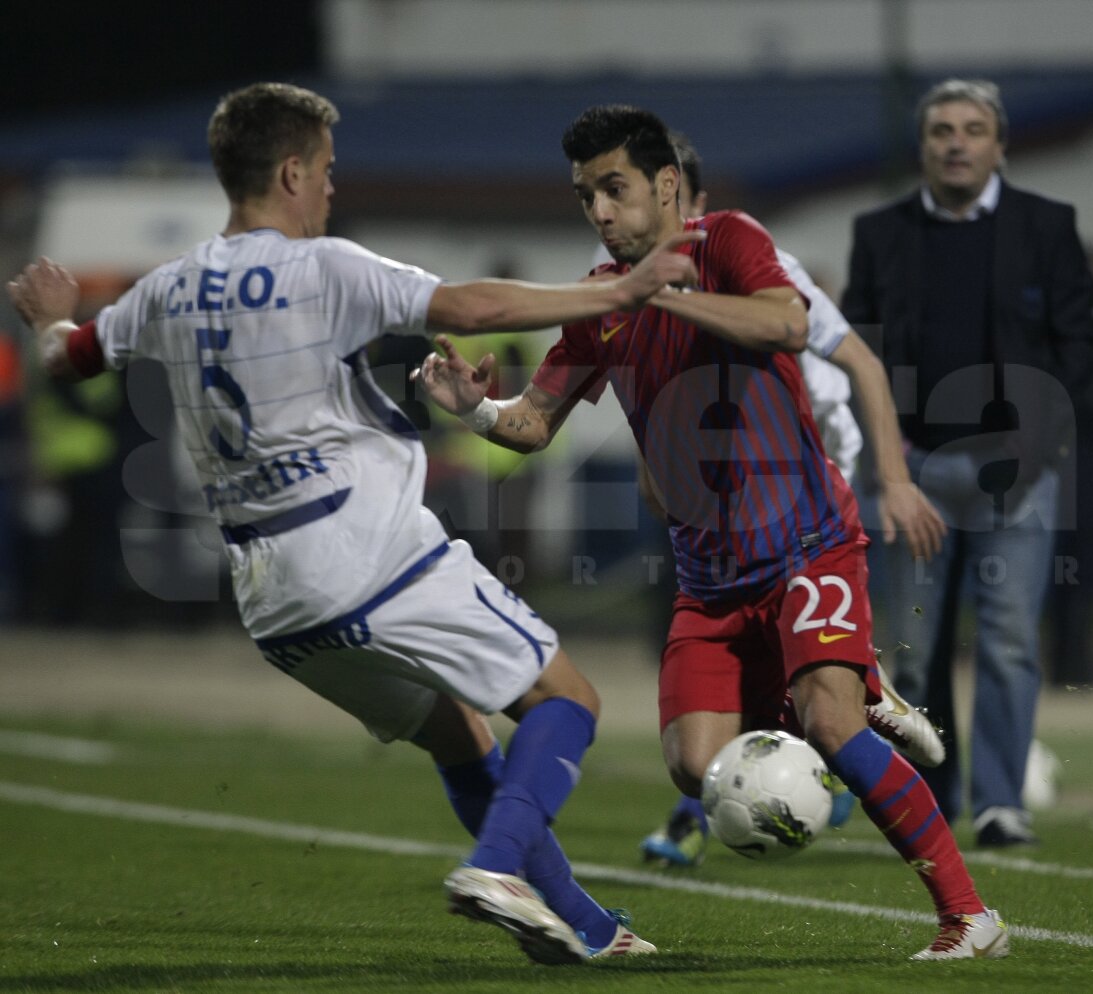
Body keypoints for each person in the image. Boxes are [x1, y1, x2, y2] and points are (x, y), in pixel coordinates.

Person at [7, 82, 704, 966]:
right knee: (567, 699)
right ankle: (497, 868)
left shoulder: (168, 288)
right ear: (292, 171)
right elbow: (473, 309)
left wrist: (49, 318)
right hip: (362, 549)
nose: (331, 189)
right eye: (327, 171)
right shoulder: (323, 267)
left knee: (461, 736)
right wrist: (619, 292)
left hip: (269, 599)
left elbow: (70, 357)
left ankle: (586, 931)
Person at [416, 104, 1008, 960]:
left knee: (830, 725)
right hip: (710, 582)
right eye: (586, 196)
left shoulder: (726, 241)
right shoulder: (599, 303)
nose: (601, 212)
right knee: (698, 766)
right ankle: (858, 689)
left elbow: (790, 323)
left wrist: (673, 296)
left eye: (614, 189)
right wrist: (475, 411)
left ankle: (968, 917)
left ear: (664, 186)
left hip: (809, 545)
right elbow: (536, 422)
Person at [634, 133, 947, 869]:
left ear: (689, 200)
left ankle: (844, 715)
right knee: (748, 690)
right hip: (721, 507)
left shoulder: (762, 266)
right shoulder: (644, 290)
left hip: (804, 493)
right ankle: (861, 698)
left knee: (796, 692)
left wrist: (895, 479)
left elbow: (858, 363)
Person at [840, 79, 1093, 847]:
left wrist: (1040, 444)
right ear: (923, 146)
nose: (956, 142)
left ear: (1000, 143)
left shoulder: (1047, 226)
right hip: (913, 471)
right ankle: (925, 805)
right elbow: (858, 352)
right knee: (914, 656)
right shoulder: (880, 231)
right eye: (942, 130)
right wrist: (886, 465)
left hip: (1014, 474)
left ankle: (998, 803)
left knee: (1010, 642)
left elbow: (1081, 345)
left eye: (973, 128)